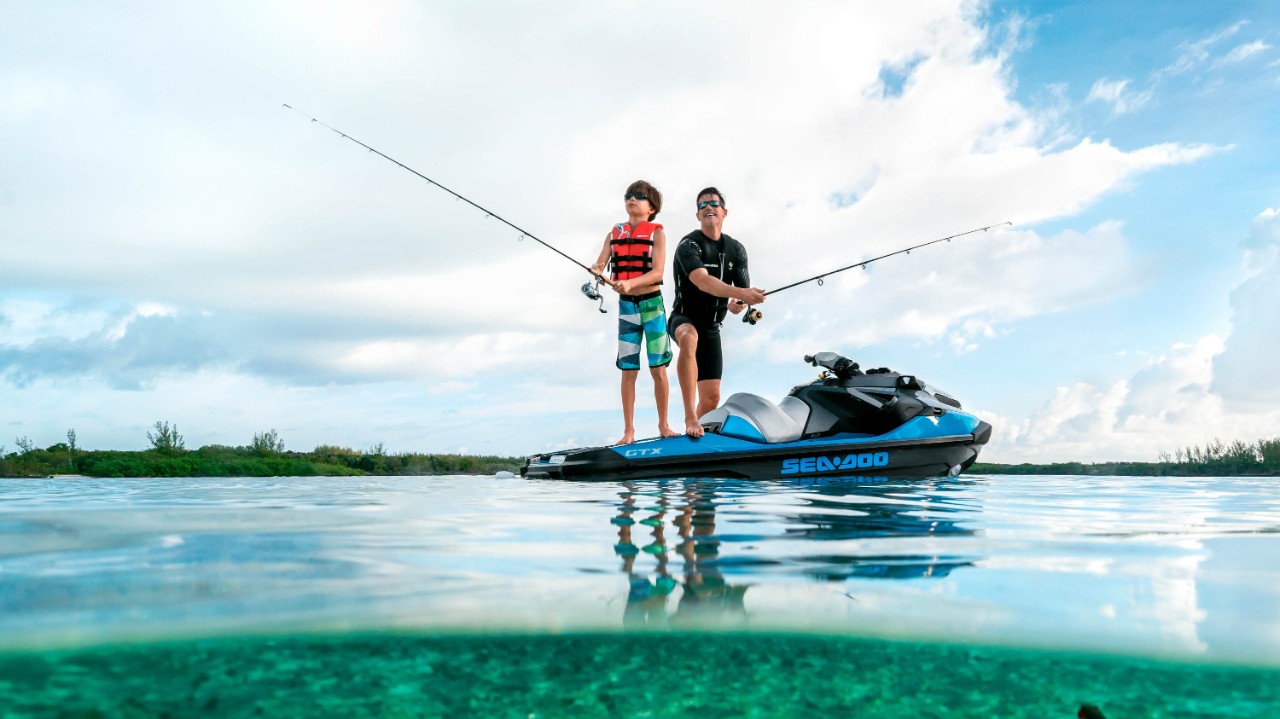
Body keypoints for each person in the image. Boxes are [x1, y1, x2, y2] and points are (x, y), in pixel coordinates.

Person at [668, 187, 767, 437]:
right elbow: (703, 281)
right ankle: (690, 418)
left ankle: (697, 439)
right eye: (702, 205)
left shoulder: (737, 249)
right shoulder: (688, 245)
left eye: (713, 203)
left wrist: (738, 304)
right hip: (684, 318)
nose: (708, 207)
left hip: (712, 328)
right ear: (698, 215)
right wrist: (743, 294)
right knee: (689, 337)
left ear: (724, 212)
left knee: (711, 399)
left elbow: (741, 292)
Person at [590, 180, 678, 445]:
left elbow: (658, 272)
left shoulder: (657, 234)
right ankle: (629, 432)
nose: (632, 199)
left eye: (639, 196)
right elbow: (601, 264)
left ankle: (663, 425)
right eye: (629, 195)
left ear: (651, 208)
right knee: (628, 370)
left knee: (658, 368)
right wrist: (597, 270)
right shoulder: (613, 233)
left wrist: (630, 282)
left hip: (652, 305)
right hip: (626, 307)